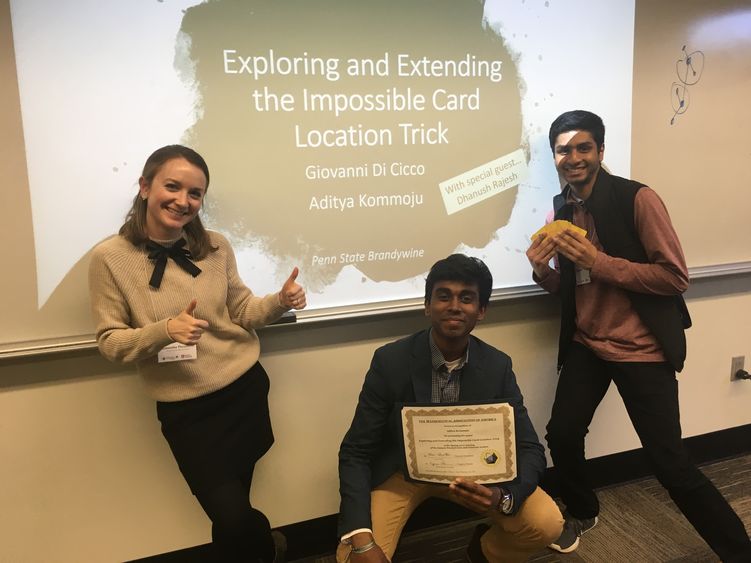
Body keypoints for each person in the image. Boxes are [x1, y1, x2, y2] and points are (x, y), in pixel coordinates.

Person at [526, 110, 751, 561]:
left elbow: (674, 278)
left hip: (641, 348)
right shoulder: (562, 207)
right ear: (554, 156)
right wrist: (541, 273)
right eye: (563, 149)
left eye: (583, 147)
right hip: (588, 343)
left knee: (671, 465)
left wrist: (598, 260)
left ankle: (738, 551)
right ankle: (584, 509)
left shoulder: (638, 199)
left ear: (601, 151)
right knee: (563, 434)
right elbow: (574, 288)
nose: (573, 157)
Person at [89, 145, 306, 563]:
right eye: (173, 187)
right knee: (234, 516)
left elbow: (242, 311)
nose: (183, 201)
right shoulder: (109, 259)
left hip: (241, 392)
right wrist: (164, 331)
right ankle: (269, 547)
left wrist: (279, 300)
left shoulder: (216, 247)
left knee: (230, 519)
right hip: (186, 412)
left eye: (195, 193)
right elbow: (110, 342)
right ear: (145, 186)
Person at [337, 254, 563, 563]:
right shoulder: (390, 362)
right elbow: (356, 451)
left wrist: (503, 497)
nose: (454, 306)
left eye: (466, 298)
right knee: (354, 556)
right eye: (444, 296)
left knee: (547, 524)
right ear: (427, 305)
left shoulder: (497, 365)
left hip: (475, 472)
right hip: (403, 473)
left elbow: (529, 447)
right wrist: (362, 541)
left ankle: (484, 551)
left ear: (481, 311)